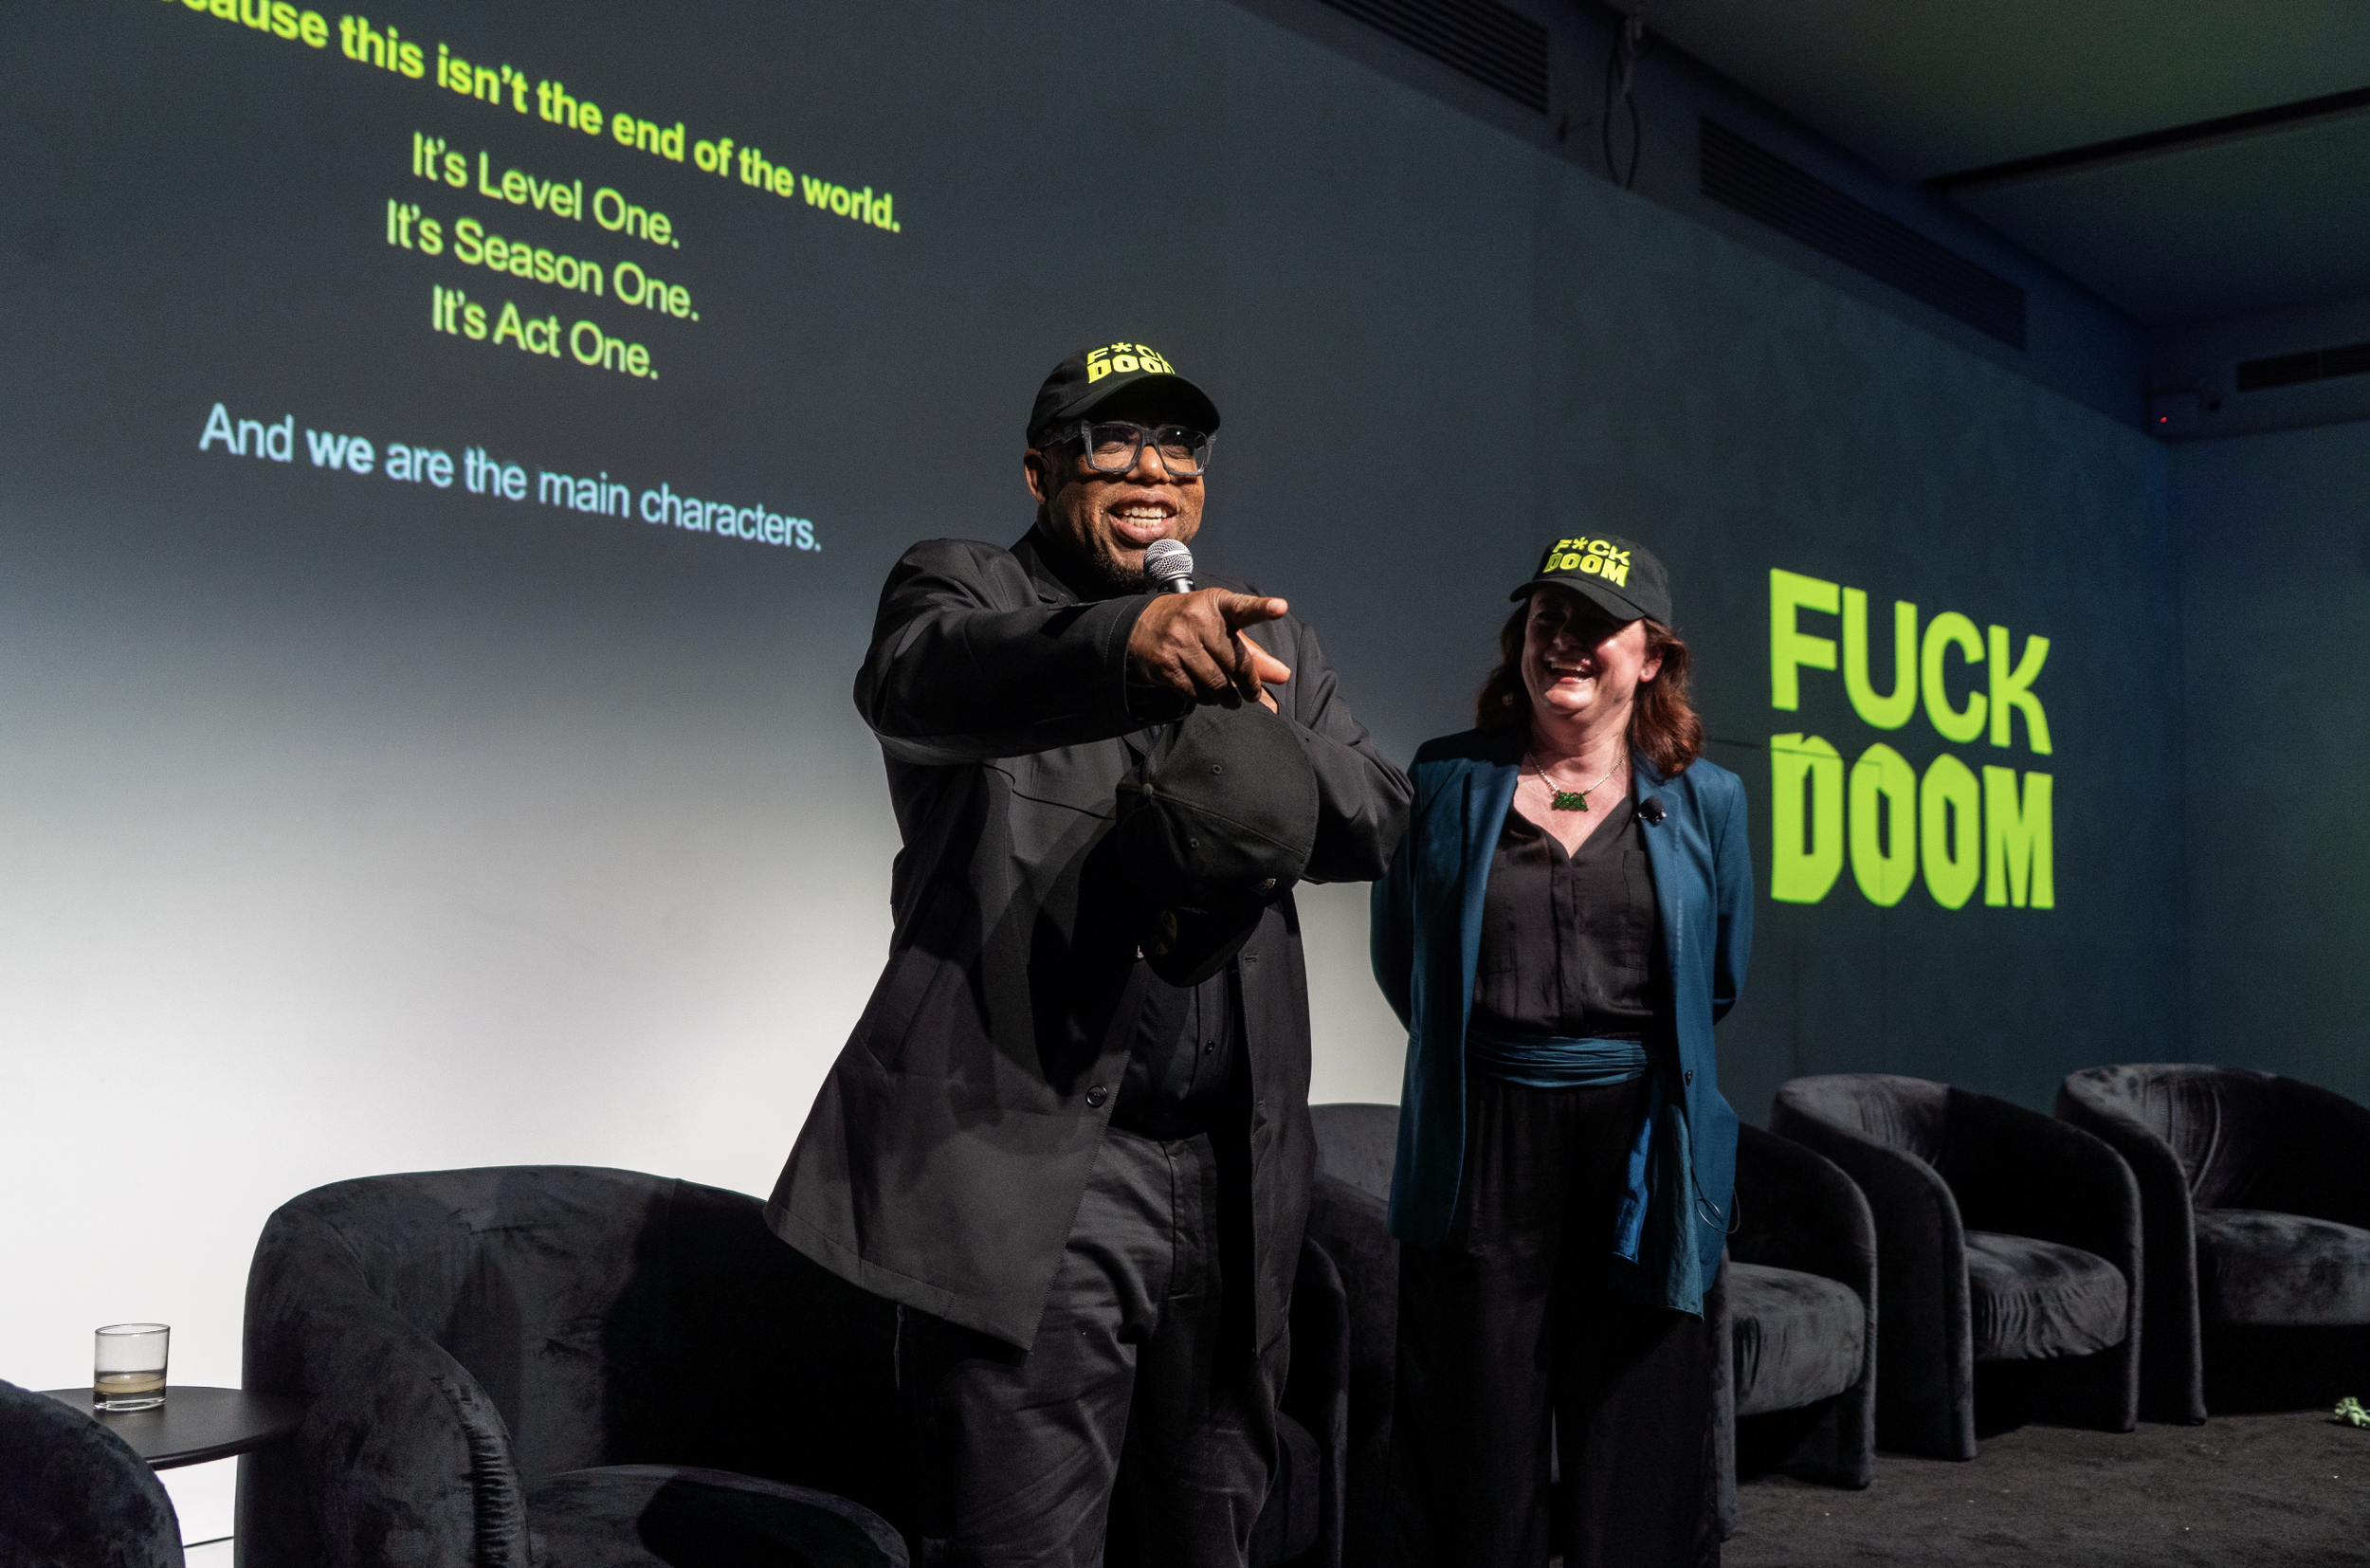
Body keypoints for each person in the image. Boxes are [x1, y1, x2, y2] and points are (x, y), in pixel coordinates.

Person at [767, 341, 1410, 1567]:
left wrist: (1252, 737)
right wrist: (1128, 645)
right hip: (1041, 1173)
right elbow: (916, 680)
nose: (1152, 470)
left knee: (1209, 1535)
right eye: (1112, 442)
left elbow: (1380, 814)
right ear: (1039, 471)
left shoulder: (1262, 641)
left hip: (1227, 1176)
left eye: (1179, 447)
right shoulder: (967, 587)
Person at [1370, 533, 1751, 1568]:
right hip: (1484, 1138)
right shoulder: (1443, 778)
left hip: (1641, 1139)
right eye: (1549, 619)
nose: (1566, 641)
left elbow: (1716, 979)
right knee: (1473, 1435)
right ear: (1521, 639)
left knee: (1636, 1428)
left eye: (1595, 624)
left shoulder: (1708, 798)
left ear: (1652, 655)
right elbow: (1404, 962)